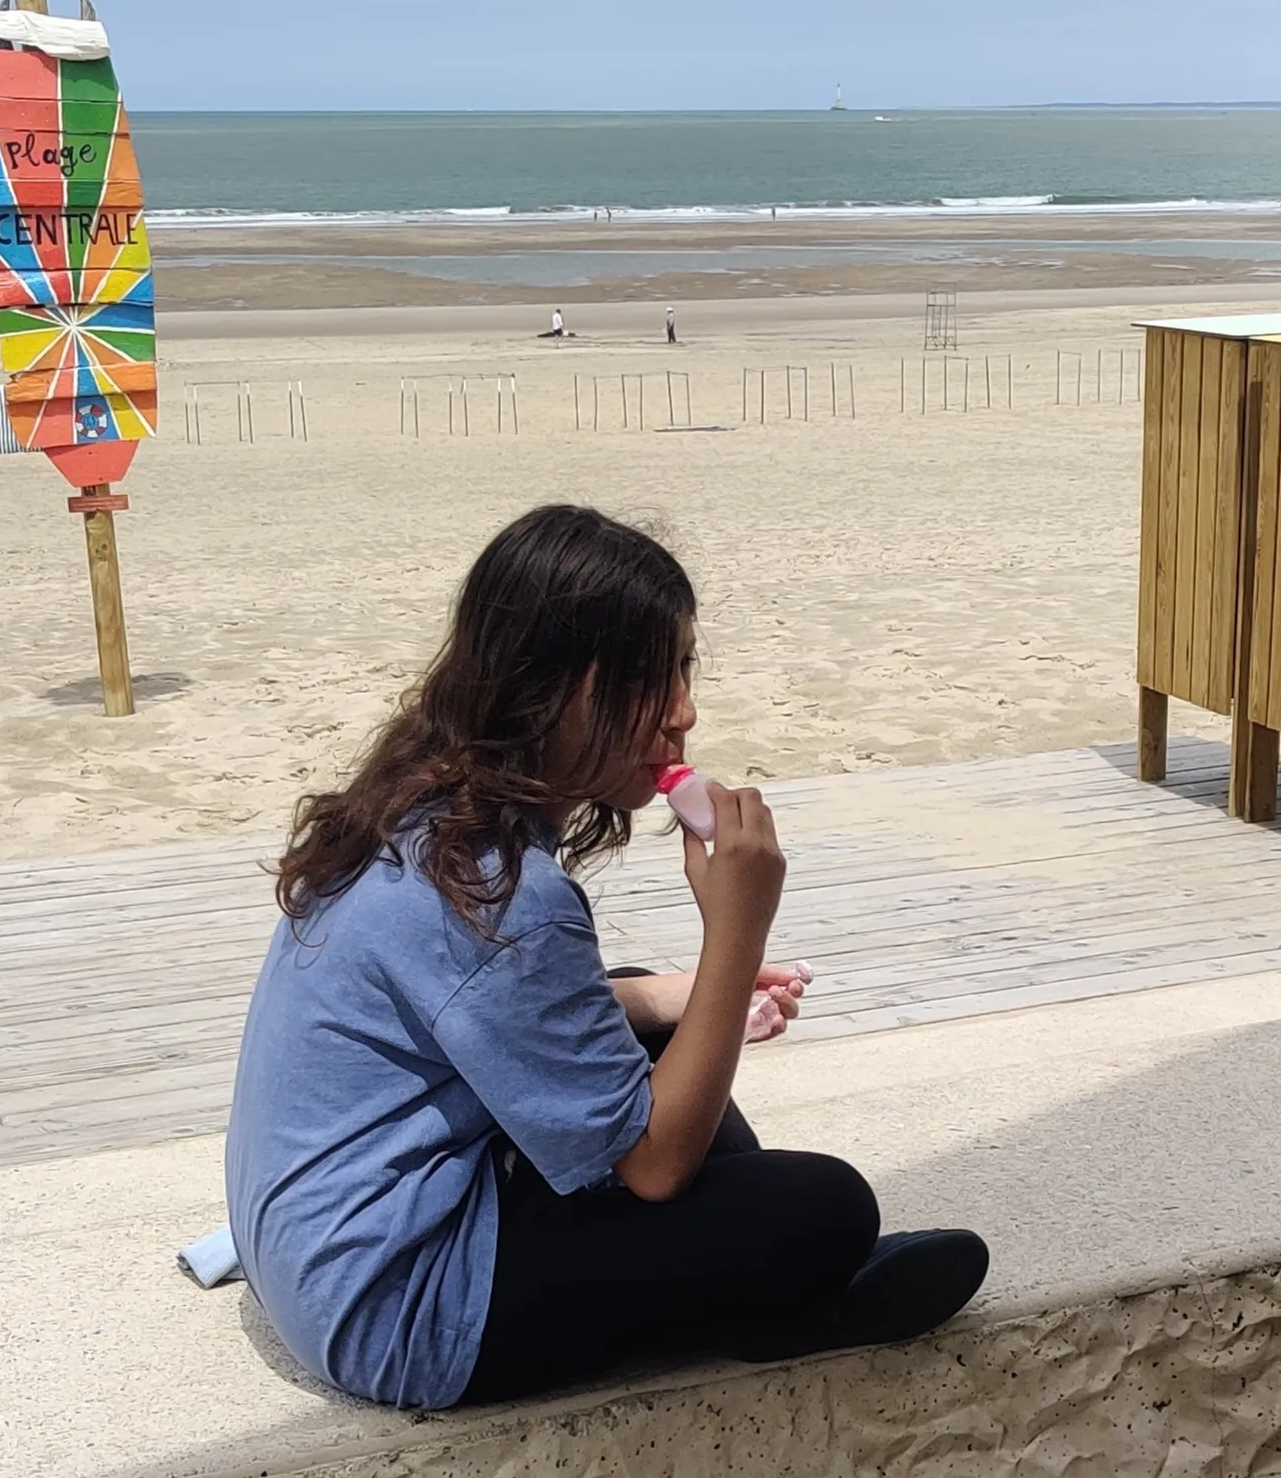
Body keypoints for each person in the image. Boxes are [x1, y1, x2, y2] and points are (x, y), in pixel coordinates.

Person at [226, 505, 987, 1409]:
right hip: (400, 1309)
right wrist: (736, 935)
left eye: (683, 669)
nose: (683, 712)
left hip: (312, 1250)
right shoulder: (502, 892)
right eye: (642, 680)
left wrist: (684, 997)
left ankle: (739, 1261)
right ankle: (764, 1292)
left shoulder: (412, 812)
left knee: (638, 1014)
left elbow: (494, 1009)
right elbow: (656, 1166)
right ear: (543, 690)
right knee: (828, 1205)